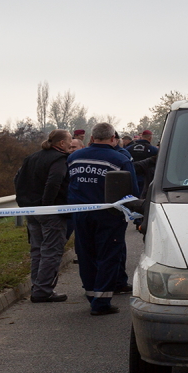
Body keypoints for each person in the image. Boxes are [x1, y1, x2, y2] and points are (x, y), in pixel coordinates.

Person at [67, 122, 139, 316]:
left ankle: (91, 295)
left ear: (91, 138)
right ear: (113, 139)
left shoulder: (73, 157)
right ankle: (101, 302)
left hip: (80, 214)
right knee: (108, 256)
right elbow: (132, 190)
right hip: (109, 215)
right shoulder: (119, 159)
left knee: (86, 255)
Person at [14, 129, 72, 303]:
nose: (72, 143)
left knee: (37, 249)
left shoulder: (32, 158)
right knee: (52, 250)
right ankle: (43, 290)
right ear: (61, 143)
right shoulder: (59, 159)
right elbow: (54, 181)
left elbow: (18, 180)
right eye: (70, 140)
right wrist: (47, 205)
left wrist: (25, 202)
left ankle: (37, 286)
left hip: (30, 210)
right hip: (49, 211)